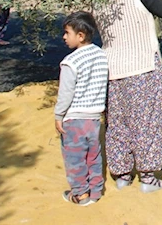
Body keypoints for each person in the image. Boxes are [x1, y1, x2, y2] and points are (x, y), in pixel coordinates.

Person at [96, 0, 162, 193]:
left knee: (117, 122)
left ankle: (121, 175)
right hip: (143, 66)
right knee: (147, 121)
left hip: (113, 69)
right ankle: (148, 179)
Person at [54, 11, 109, 206]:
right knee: (93, 156)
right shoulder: (102, 56)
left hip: (74, 120)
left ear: (80, 35)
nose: (64, 37)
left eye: (67, 33)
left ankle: (80, 194)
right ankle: (95, 190)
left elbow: (66, 93)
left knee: (75, 158)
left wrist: (59, 115)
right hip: (94, 119)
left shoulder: (70, 62)